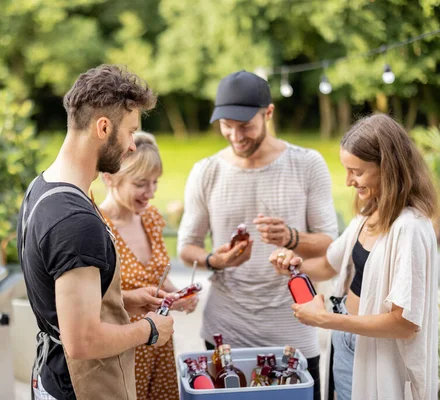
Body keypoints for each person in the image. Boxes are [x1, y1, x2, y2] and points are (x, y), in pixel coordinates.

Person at [177, 70, 338, 400]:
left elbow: (330, 244)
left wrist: (292, 238)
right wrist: (214, 260)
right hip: (226, 328)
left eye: (245, 126)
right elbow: (186, 247)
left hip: (293, 327)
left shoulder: (307, 164)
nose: (235, 136)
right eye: (227, 126)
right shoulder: (206, 171)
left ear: (269, 113)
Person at [17, 65, 175, 400]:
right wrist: (149, 330)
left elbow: (60, 300)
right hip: (76, 390)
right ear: (103, 127)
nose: (133, 146)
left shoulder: (43, 187)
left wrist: (125, 300)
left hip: (49, 376)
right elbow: (82, 341)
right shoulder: (76, 221)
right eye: (130, 132)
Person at [271, 114, 438, 400]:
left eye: (357, 172)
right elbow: (327, 266)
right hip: (346, 339)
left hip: (375, 350)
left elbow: (405, 323)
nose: (349, 181)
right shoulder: (369, 213)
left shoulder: (410, 228)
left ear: (388, 168)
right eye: (347, 170)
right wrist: (295, 266)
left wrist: (325, 320)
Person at [100, 131, 199, 400]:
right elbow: (93, 302)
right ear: (109, 178)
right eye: (141, 183)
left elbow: (158, 277)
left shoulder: (151, 218)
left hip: (159, 345)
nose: (151, 193)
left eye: (155, 183)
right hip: (122, 351)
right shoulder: (97, 228)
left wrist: (178, 296)